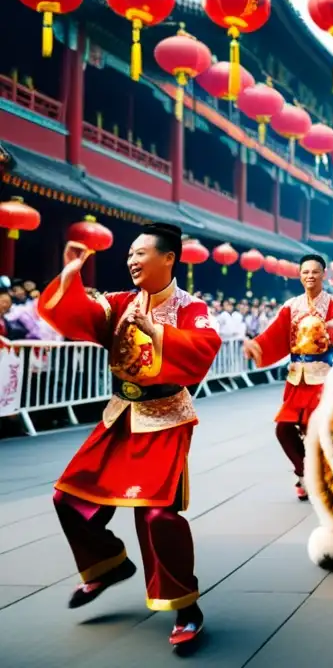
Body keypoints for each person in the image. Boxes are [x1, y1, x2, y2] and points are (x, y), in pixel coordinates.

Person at [38, 224, 221, 651]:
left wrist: (156, 331)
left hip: (165, 419)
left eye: (140, 253)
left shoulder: (191, 307)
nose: (132, 260)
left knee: (157, 516)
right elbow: (79, 314)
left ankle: (186, 607)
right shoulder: (120, 302)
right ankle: (106, 565)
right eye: (129, 255)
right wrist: (70, 277)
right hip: (119, 416)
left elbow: (204, 347)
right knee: (68, 497)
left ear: (168, 257)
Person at [243, 254, 333, 500]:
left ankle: (325, 476)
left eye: (315, 272)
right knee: (284, 429)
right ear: (300, 275)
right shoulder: (292, 306)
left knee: (318, 431)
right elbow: (275, 335)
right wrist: (256, 346)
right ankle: (303, 473)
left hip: (324, 378)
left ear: (323, 275)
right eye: (305, 272)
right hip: (297, 379)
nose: (310, 276)